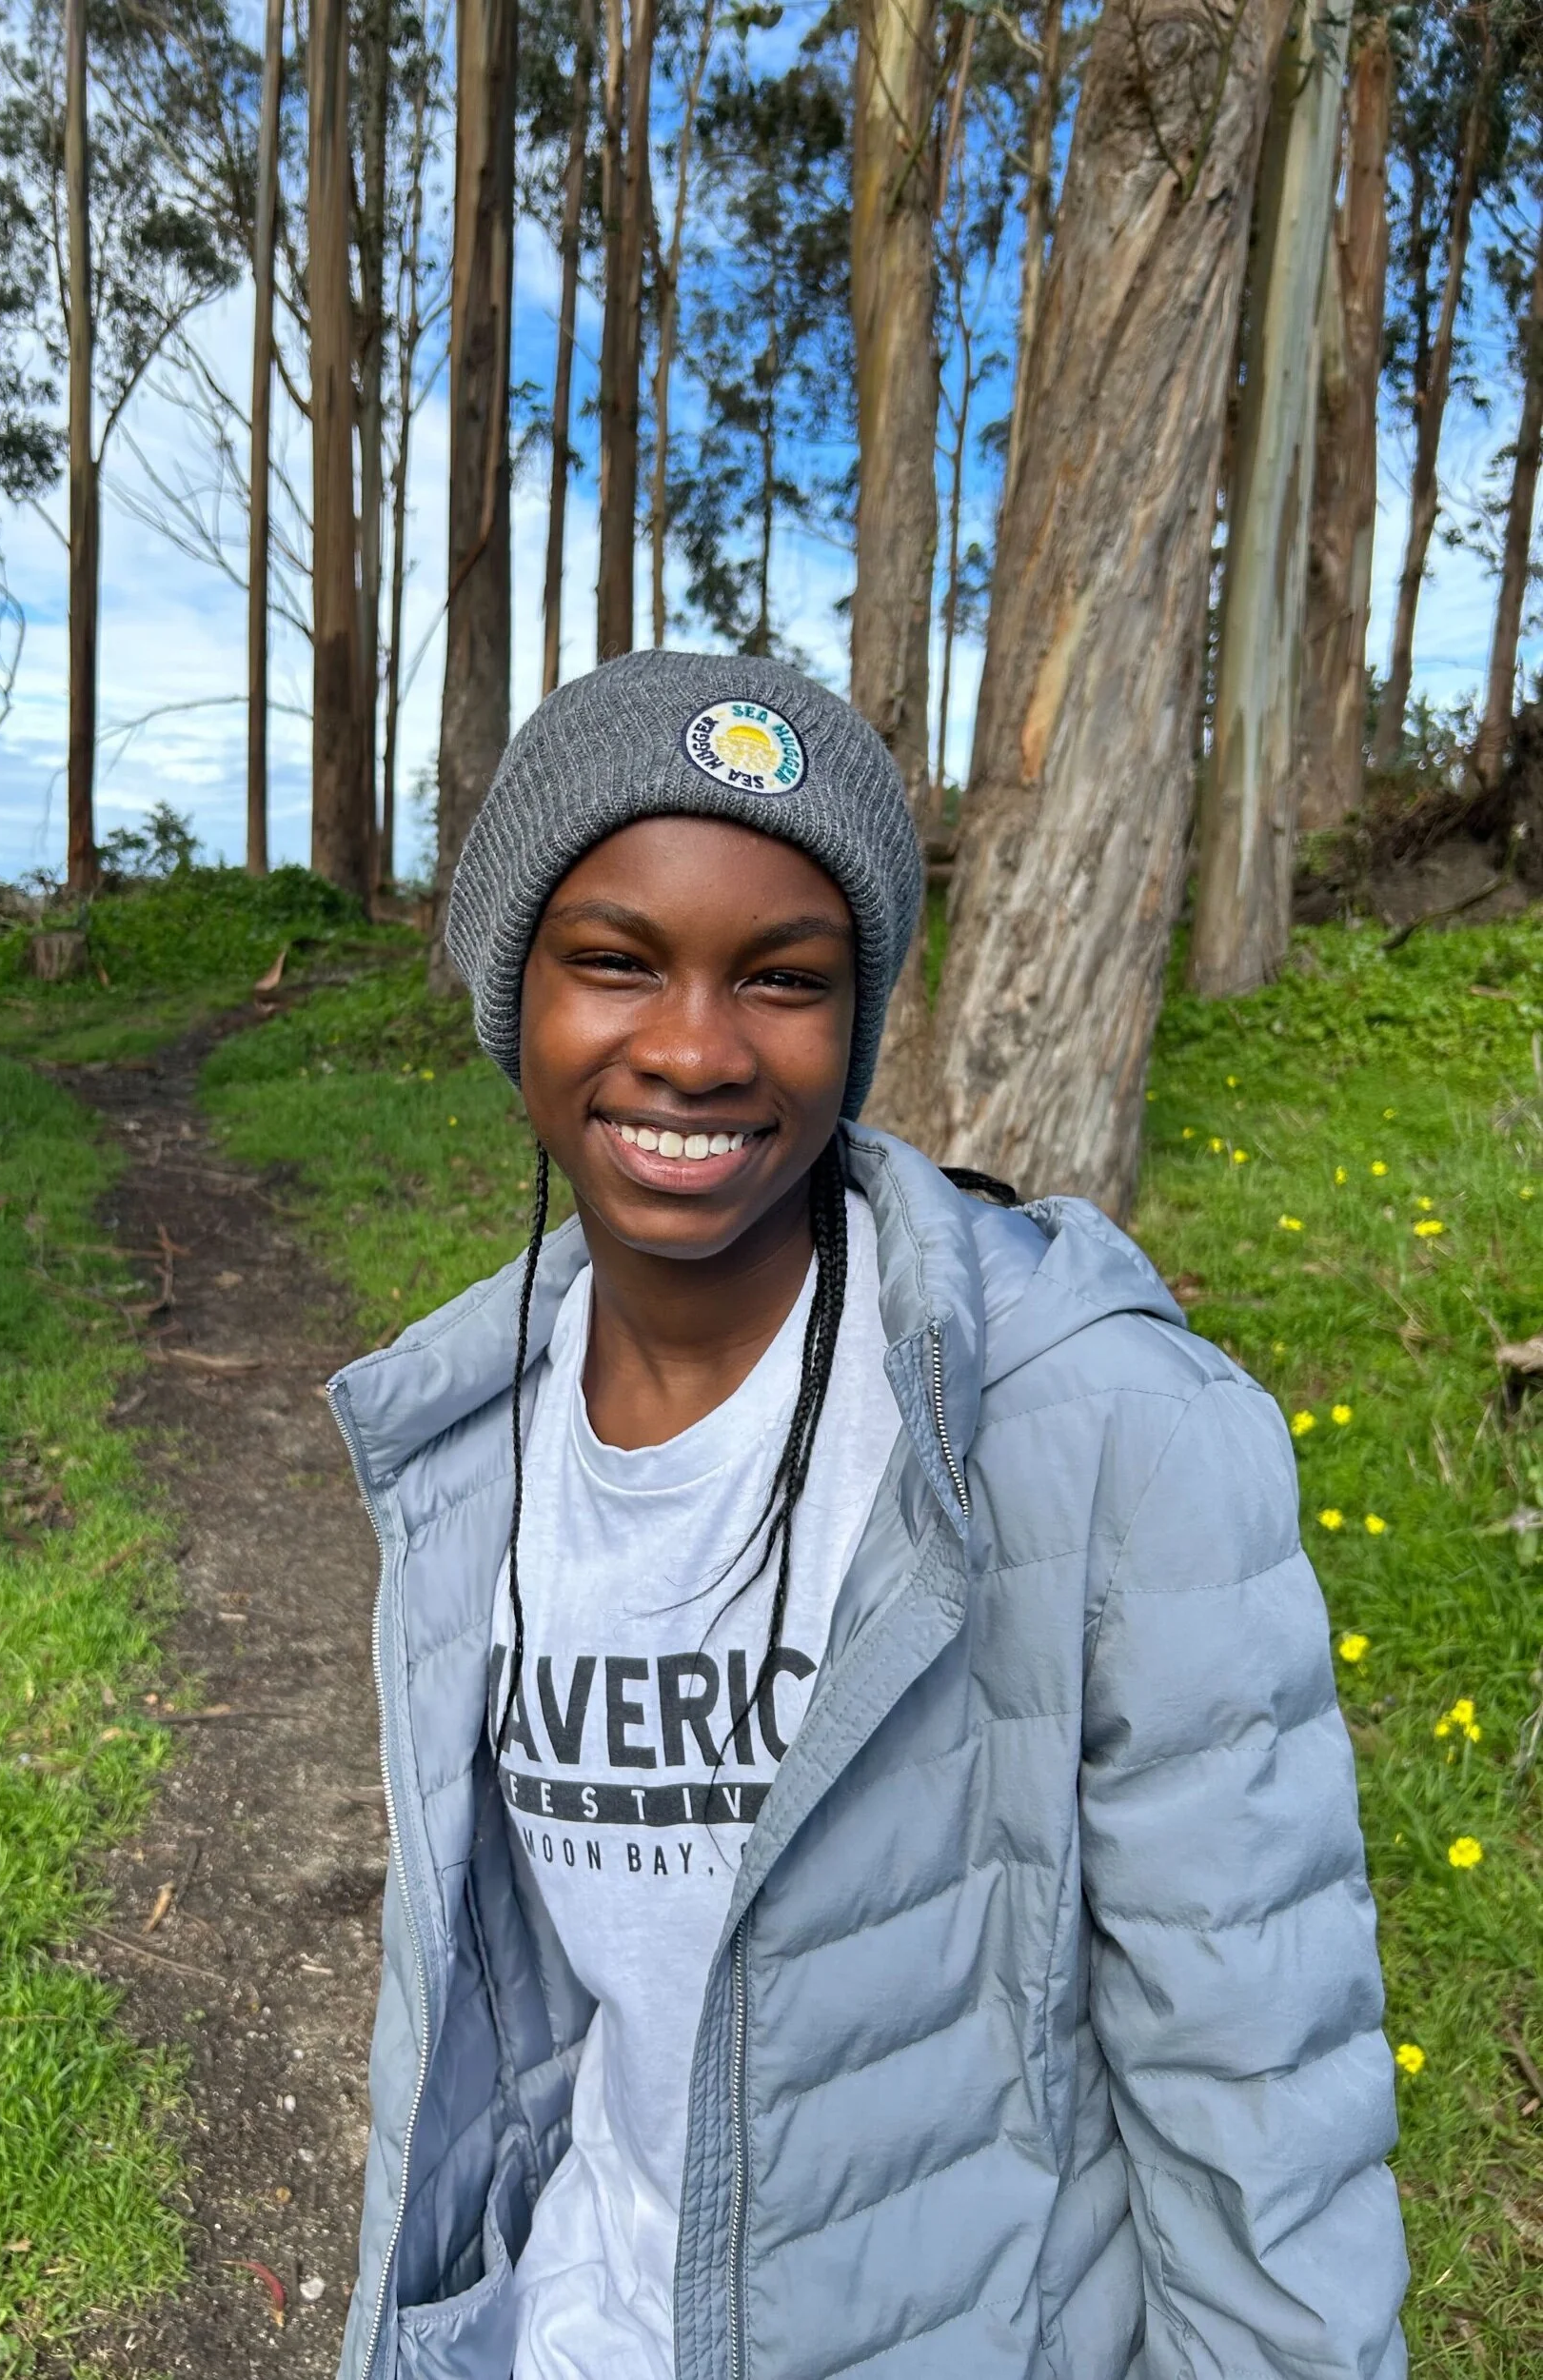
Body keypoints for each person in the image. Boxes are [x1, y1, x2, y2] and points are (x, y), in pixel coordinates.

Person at [326, 651, 1409, 2380]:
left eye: (782, 978)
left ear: (860, 1018)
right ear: (508, 995)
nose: (691, 1049)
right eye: (614, 961)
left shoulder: (1101, 1429)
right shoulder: (465, 1442)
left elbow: (1255, 2084)